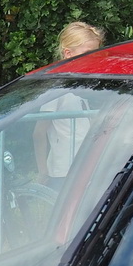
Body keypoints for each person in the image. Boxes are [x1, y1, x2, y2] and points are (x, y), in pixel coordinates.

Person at [36, 22, 104, 179]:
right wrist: (43, 171)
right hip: (63, 170)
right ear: (68, 53)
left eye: (96, 53)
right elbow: (39, 132)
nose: (93, 58)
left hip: (86, 167)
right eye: (88, 53)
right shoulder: (55, 88)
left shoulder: (87, 85)